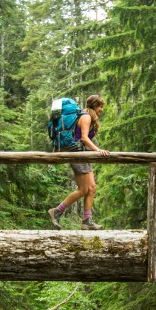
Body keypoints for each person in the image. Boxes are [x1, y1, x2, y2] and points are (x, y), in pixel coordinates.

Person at [48, 94, 110, 230]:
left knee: (92, 187)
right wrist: (99, 150)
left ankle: (87, 221)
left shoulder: (87, 116)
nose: (102, 109)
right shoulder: (86, 116)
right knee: (83, 189)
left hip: (83, 154)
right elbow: (83, 138)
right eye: (100, 106)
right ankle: (57, 211)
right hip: (78, 153)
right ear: (94, 106)